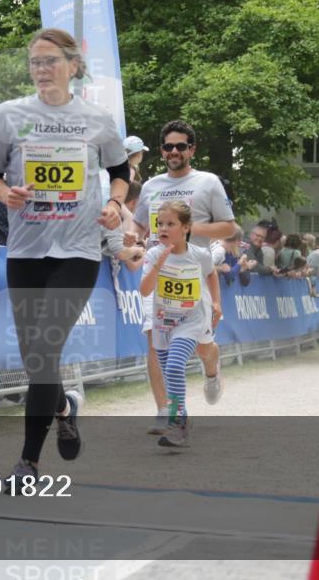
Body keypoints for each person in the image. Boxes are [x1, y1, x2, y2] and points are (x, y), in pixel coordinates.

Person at [0, 27, 129, 489]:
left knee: (45, 349)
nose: (41, 70)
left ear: (73, 65)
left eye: (50, 61)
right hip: (26, 248)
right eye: (34, 62)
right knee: (34, 358)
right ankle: (63, 407)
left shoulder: (97, 118)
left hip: (79, 249)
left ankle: (27, 461)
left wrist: (115, 204)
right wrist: (8, 194)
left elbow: (120, 172)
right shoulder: (9, 115)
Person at [132, 120, 235, 433]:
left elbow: (229, 227)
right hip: (160, 272)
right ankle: (167, 410)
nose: (173, 151)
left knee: (202, 347)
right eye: (168, 146)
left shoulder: (208, 182)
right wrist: (132, 240)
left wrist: (189, 230)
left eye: (180, 146)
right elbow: (139, 228)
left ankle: (212, 366)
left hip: (194, 272)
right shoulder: (150, 186)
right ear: (162, 150)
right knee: (154, 341)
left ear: (192, 149)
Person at [139, 200, 219, 447]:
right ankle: (181, 418)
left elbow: (211, 274)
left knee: (174, 366)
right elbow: (144, 290)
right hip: (164, 323)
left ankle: (177, 423)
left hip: (191, 321)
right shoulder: (153, 254)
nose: (163, 228)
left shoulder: (199, 255)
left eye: (170, 223)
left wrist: (216, 302)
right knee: (169, 374)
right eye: (160, 223)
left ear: (185, 227)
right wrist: (159, 265)